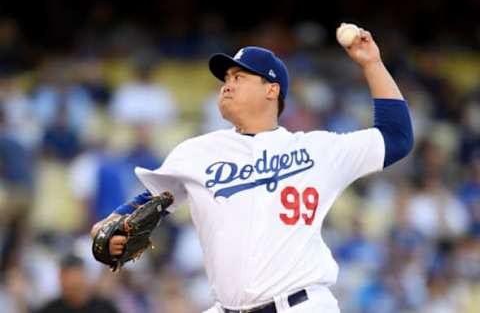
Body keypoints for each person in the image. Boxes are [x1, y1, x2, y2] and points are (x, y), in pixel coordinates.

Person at [91, 25, 413, 313]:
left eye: (239, 77)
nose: (227, 85)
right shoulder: (196, 152)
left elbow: (396, 137)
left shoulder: (318, 149)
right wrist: (111, 228)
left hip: (300, 304)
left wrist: (371, 64)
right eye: (226, 78)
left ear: (271, 90)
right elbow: (143, 206)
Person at [35, 253, 119, 313]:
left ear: (83, 276)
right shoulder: (50, 309)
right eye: (63, 277)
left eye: (71, 277)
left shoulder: (104, 308)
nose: (68, 283)